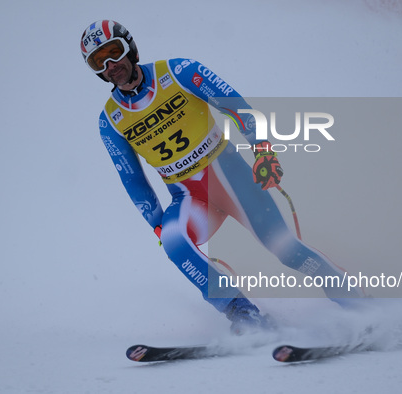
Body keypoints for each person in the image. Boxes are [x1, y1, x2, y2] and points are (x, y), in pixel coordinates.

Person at [80, 20, 364, 334]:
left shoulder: (178, 71)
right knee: (174, 241)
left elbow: (236, 106)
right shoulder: (110, 120)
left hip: (230, 178)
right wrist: (156, 222)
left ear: (129, 48)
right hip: (188, 196)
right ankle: (244, 315)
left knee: (286, 250)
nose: (110, 65)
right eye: (98, 61)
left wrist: (262, 151)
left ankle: (357, 301)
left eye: (113, 53)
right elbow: (132, 179)